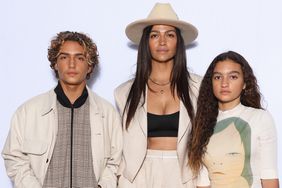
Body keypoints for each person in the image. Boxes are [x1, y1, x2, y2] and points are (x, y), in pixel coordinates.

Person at [2, 31, 123, 188]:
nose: (71, 64)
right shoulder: (28, 112)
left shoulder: (108, 114)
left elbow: (116, 161)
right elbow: (14, 157)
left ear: (89, 65)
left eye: (80, 58)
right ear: (55, 63)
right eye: (64, 57)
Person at [114, 3, 201, 188]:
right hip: (138, 177)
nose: (162, 41)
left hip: (184, 175)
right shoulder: (124, 92)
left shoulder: (199, 88)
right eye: (155, 35)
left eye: (169, 35)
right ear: (146, 42)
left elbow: (207, 138)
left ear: (178, 41)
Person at [188, 51, 279, 188]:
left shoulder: (260, 118)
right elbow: (203, 182)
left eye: (233, 77)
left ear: (244, 84)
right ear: (211, 83)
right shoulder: (201, 124)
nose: (224, 83)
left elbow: (269, 176)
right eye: (218, 77)